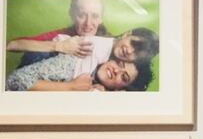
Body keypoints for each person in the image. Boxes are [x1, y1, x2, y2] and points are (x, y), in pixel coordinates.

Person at [6, 28, 158, 92]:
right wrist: (71, 87)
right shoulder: (81, 53)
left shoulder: (97, 84)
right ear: (127, 34)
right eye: (119, 64)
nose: (129, 50)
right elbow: (15, 80)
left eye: (124, 77)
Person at [5, 0, 110, 67]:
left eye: (95, 16)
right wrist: (60, 46)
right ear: (72, 15)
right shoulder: (63, 35)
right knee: (34, 54)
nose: (88, 23)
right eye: (82, 15)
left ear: (101, 18)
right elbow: (11, 45)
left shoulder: (111, 43)